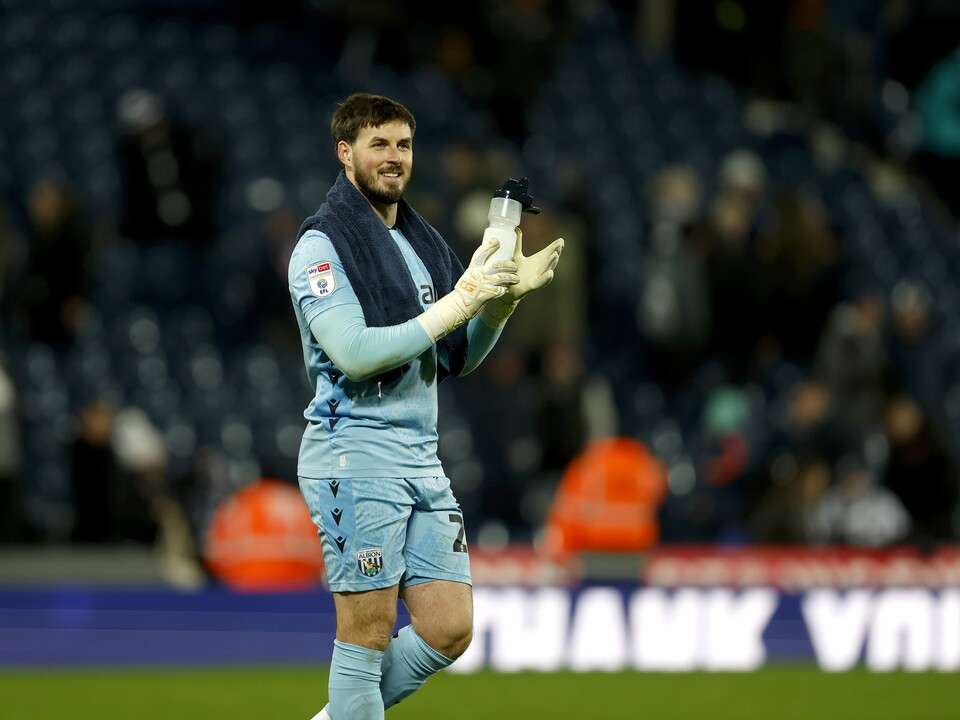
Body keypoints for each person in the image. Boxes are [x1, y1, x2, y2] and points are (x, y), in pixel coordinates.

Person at [287, 93, 563, 720]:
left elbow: (456, 354)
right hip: (354, 453)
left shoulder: (420, 241)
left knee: (449, 627)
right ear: (345, 153)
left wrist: (497, 303)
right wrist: (455, 305)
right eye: (378, 144)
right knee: (368, 631)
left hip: (418, 457)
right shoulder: (320, 247)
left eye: (403, 145)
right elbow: (355, 353)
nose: (393, 158)